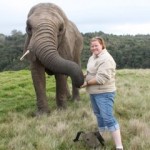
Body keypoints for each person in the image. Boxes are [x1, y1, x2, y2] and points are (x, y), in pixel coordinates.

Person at [80, 37, 123, 150]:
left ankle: (119, 146)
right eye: (92, 46)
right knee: (98, 115)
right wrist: (83, 76)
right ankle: (100, 136)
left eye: (96, 45)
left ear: (102, 46)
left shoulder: (106, 59)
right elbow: (91, 72)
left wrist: (86, 83)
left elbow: (101, 79)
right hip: (94, 92)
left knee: (108, 118)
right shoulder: (92, 57)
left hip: (104, 93)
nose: (94, 48)